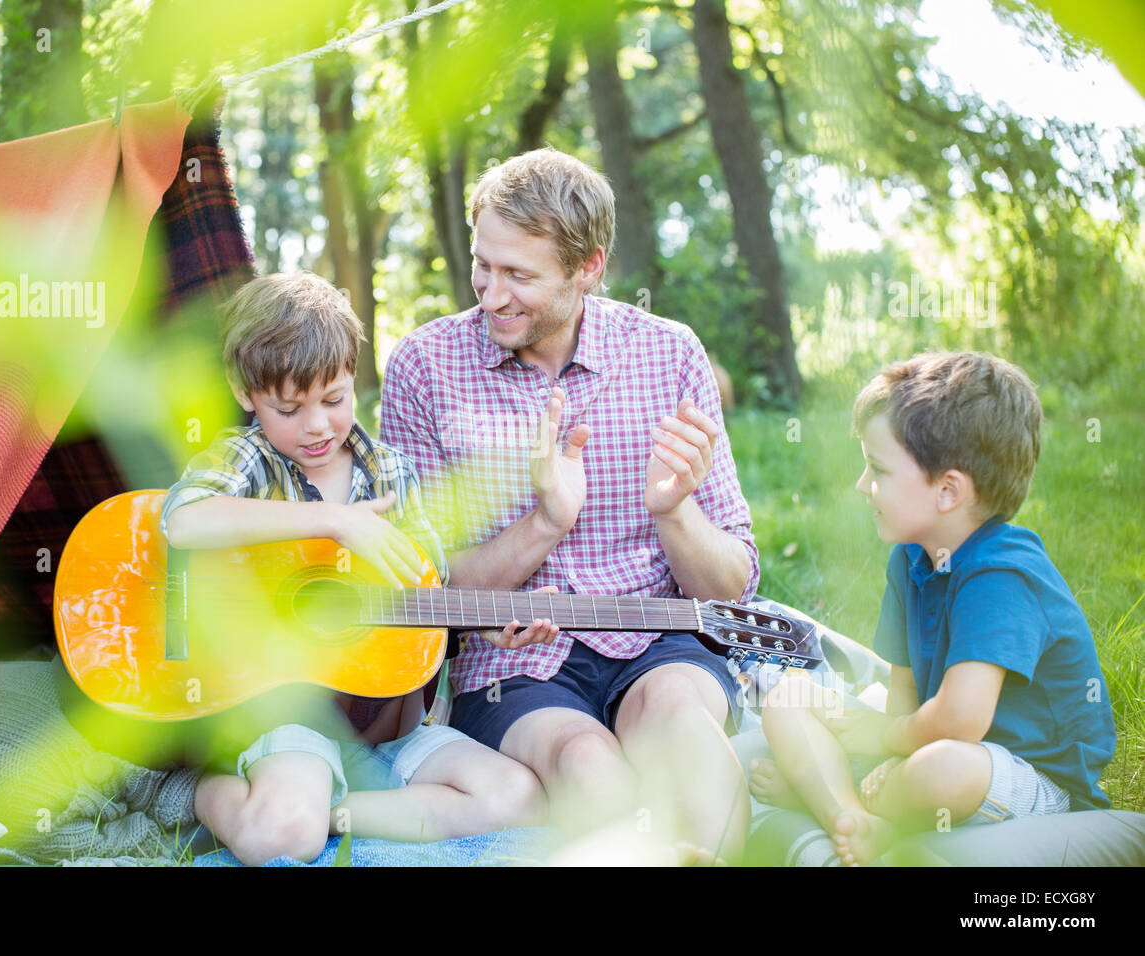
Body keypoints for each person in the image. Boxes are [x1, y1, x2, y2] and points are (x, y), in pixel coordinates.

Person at [379, 148, 758, 863]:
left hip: (656, 642)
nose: (491, 294)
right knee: (587, 760)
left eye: (520, 275)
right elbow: (425, 588)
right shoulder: (423, 368)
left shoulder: (669, 355)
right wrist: (544, 524)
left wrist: (676, 512)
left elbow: (732, 587)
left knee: (680, 724)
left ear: (589, 268)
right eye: (482, 265)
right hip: (513, 670)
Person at [161, 272, 543, 865]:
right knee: (281, 838)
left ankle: (335, 814)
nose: (316, 426)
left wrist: (478, 625)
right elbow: (184, 520)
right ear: (245, 392)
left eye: (335, 400)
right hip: (289, 722)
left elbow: (424, 594)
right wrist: (336, 522)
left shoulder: (392, 475)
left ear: (353, 377)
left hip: (381, 728)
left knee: (516, 796)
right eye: (289, 408)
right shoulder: (250, 458)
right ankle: (203, 794)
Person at [748, 351, 1117, 865]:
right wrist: (890, 740)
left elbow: (962, 718)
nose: (861, 486)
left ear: (948, 491)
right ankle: (851, 815)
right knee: (789, 694)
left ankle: (845, 796)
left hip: (1029, 776)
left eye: (878, 469)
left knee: (940, 768)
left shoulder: (1002, 574)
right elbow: (905, 690)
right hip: (928, 742)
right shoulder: (911, 558)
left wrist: (887, 738)